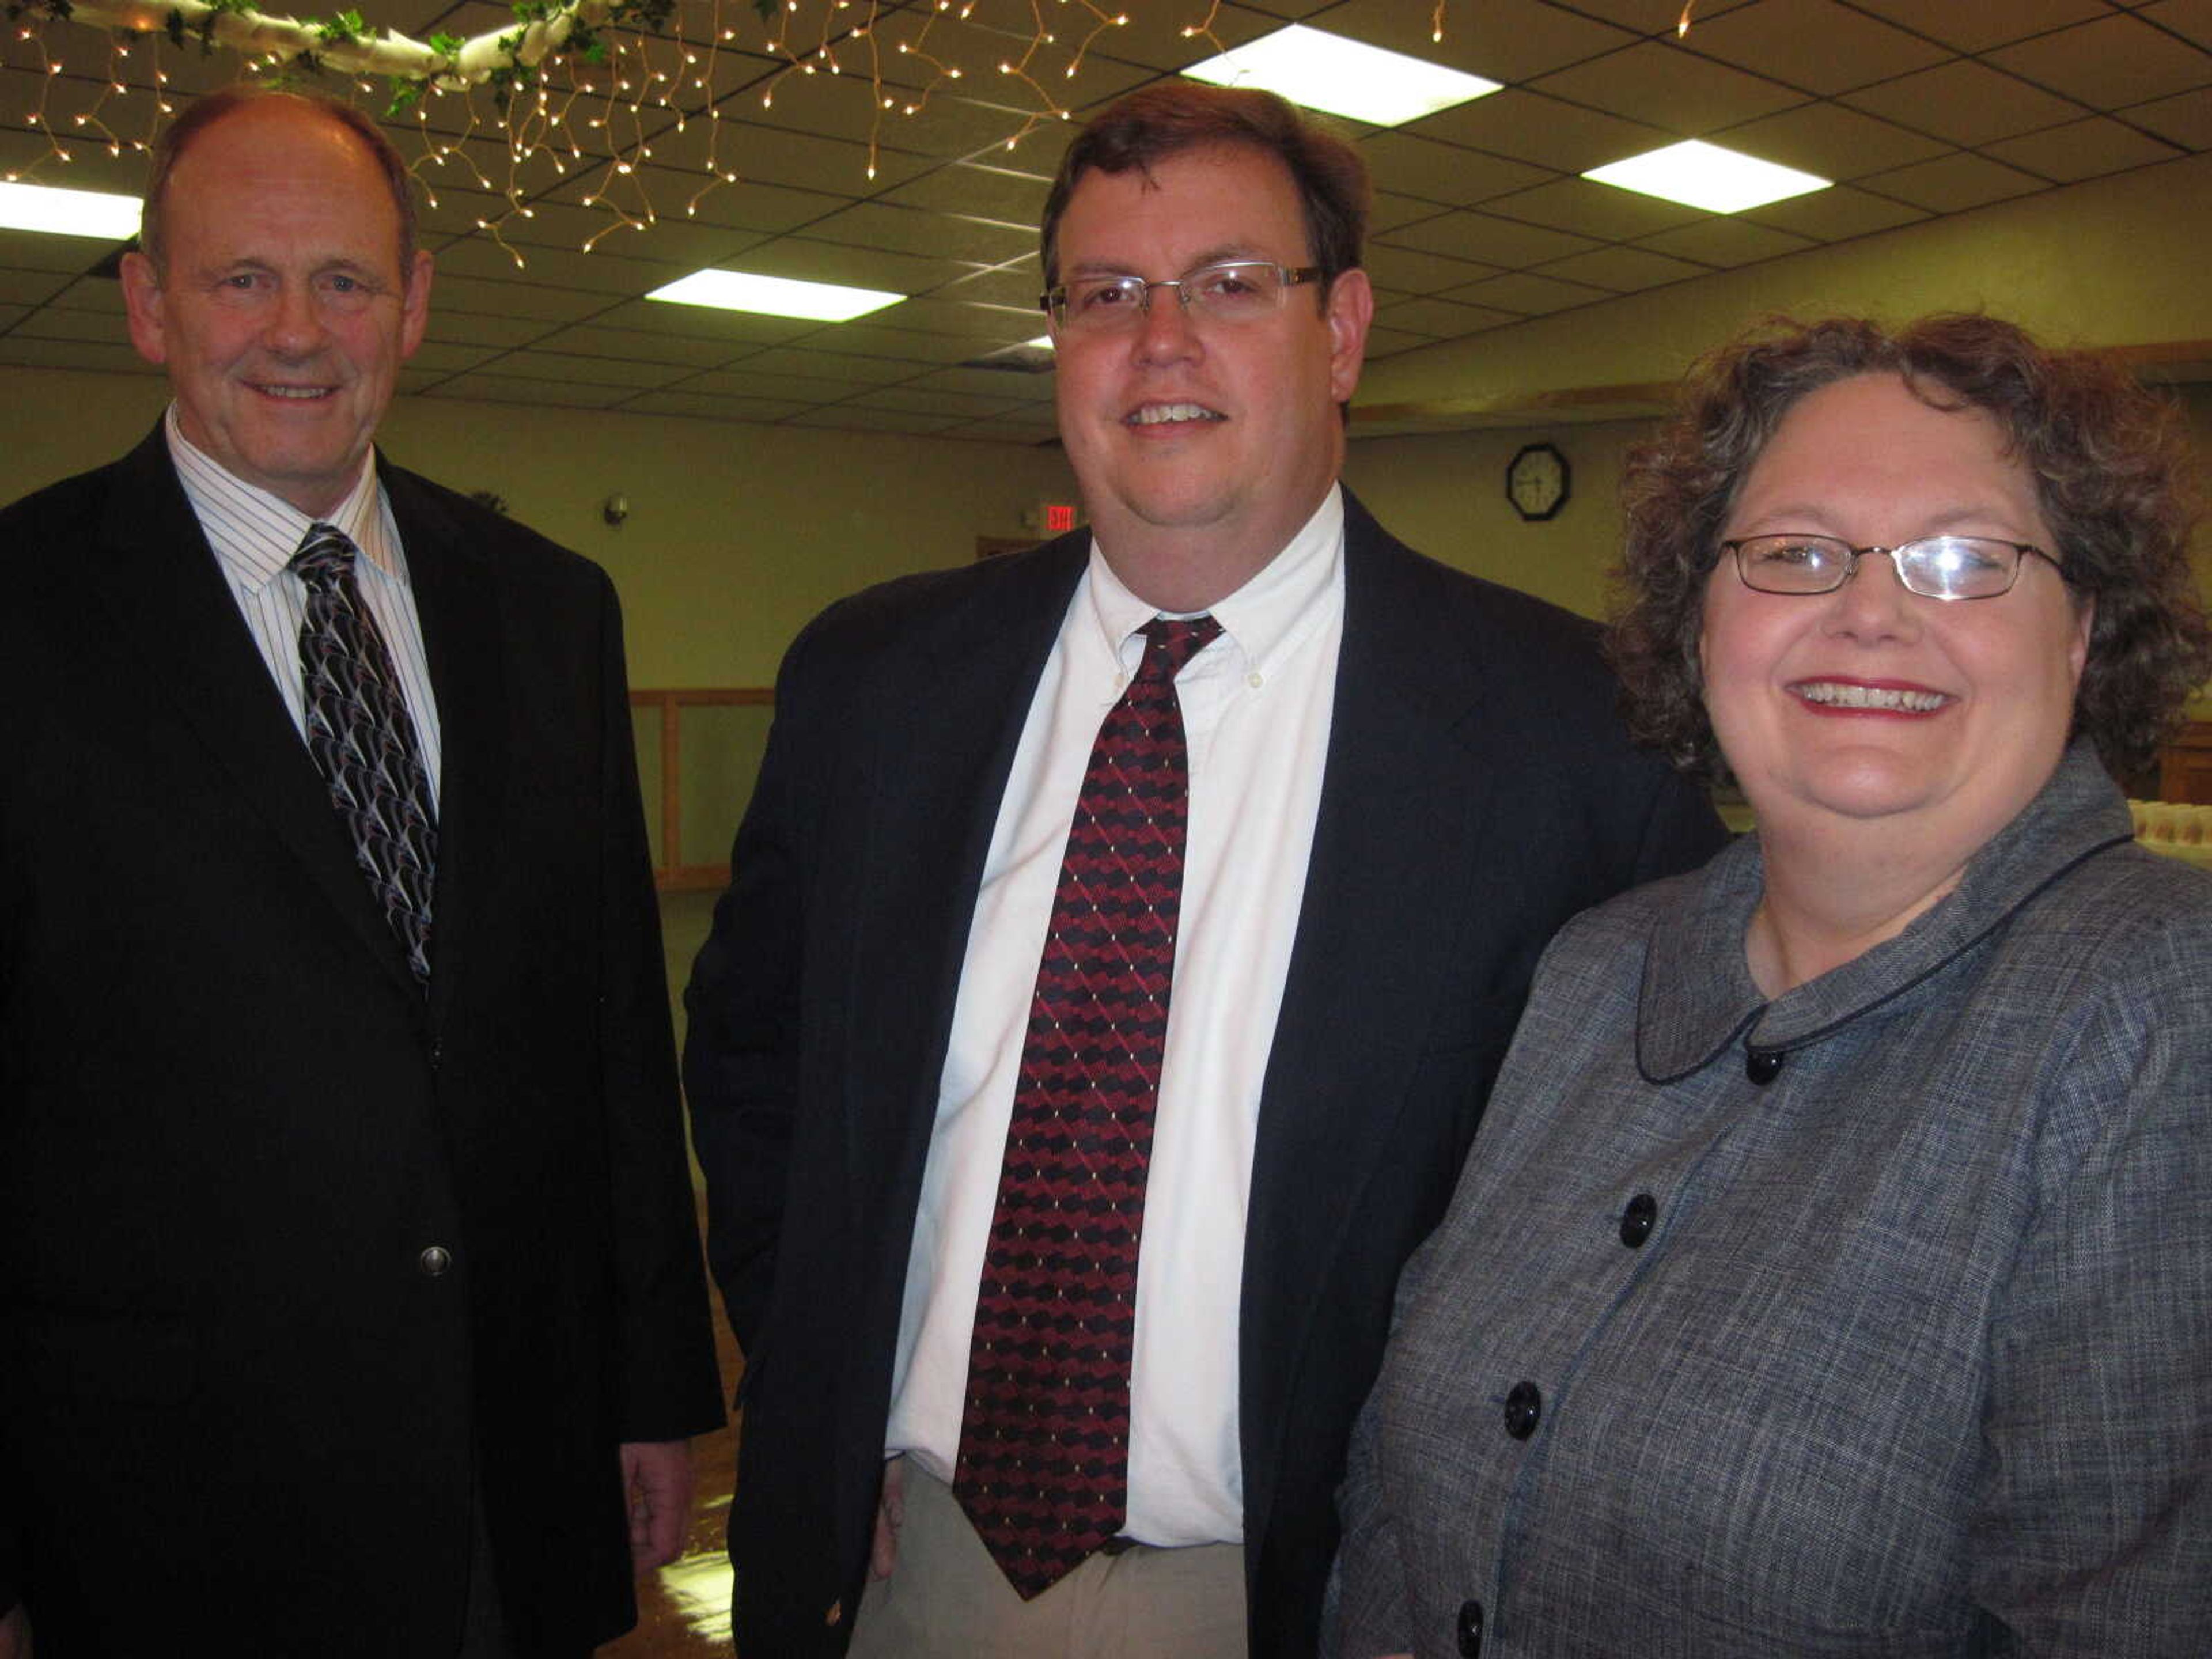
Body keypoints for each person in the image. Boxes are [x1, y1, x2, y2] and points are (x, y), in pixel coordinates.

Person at [681, 82, 1725, 1659]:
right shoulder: (874, 686)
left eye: (1233, 285)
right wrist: (832, 1399)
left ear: (1346, 330)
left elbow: (1662, 1208)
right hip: (916, 1567)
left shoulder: (1579, 739)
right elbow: (758, 1076)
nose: (1159, 341)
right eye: (1106, 295)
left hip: (1318, 1589)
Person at [1326, 313, 2212, 1658]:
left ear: (2084, 630)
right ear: (1704, 620)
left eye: (1964, 559)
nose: (1870, 611)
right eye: (1794, 554)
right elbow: (1395, 1473)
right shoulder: (1600, 965)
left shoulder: (2157, 1012)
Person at [0, 88, 724, 1657]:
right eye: (237, 278)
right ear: (145, 304)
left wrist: (656, 1389)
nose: (297, 331)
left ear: (414, 307)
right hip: (160, 1499)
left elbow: (612, 1040)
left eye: (344, 279)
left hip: (504, 1463)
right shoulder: (26, 615)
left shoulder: (547, 614)